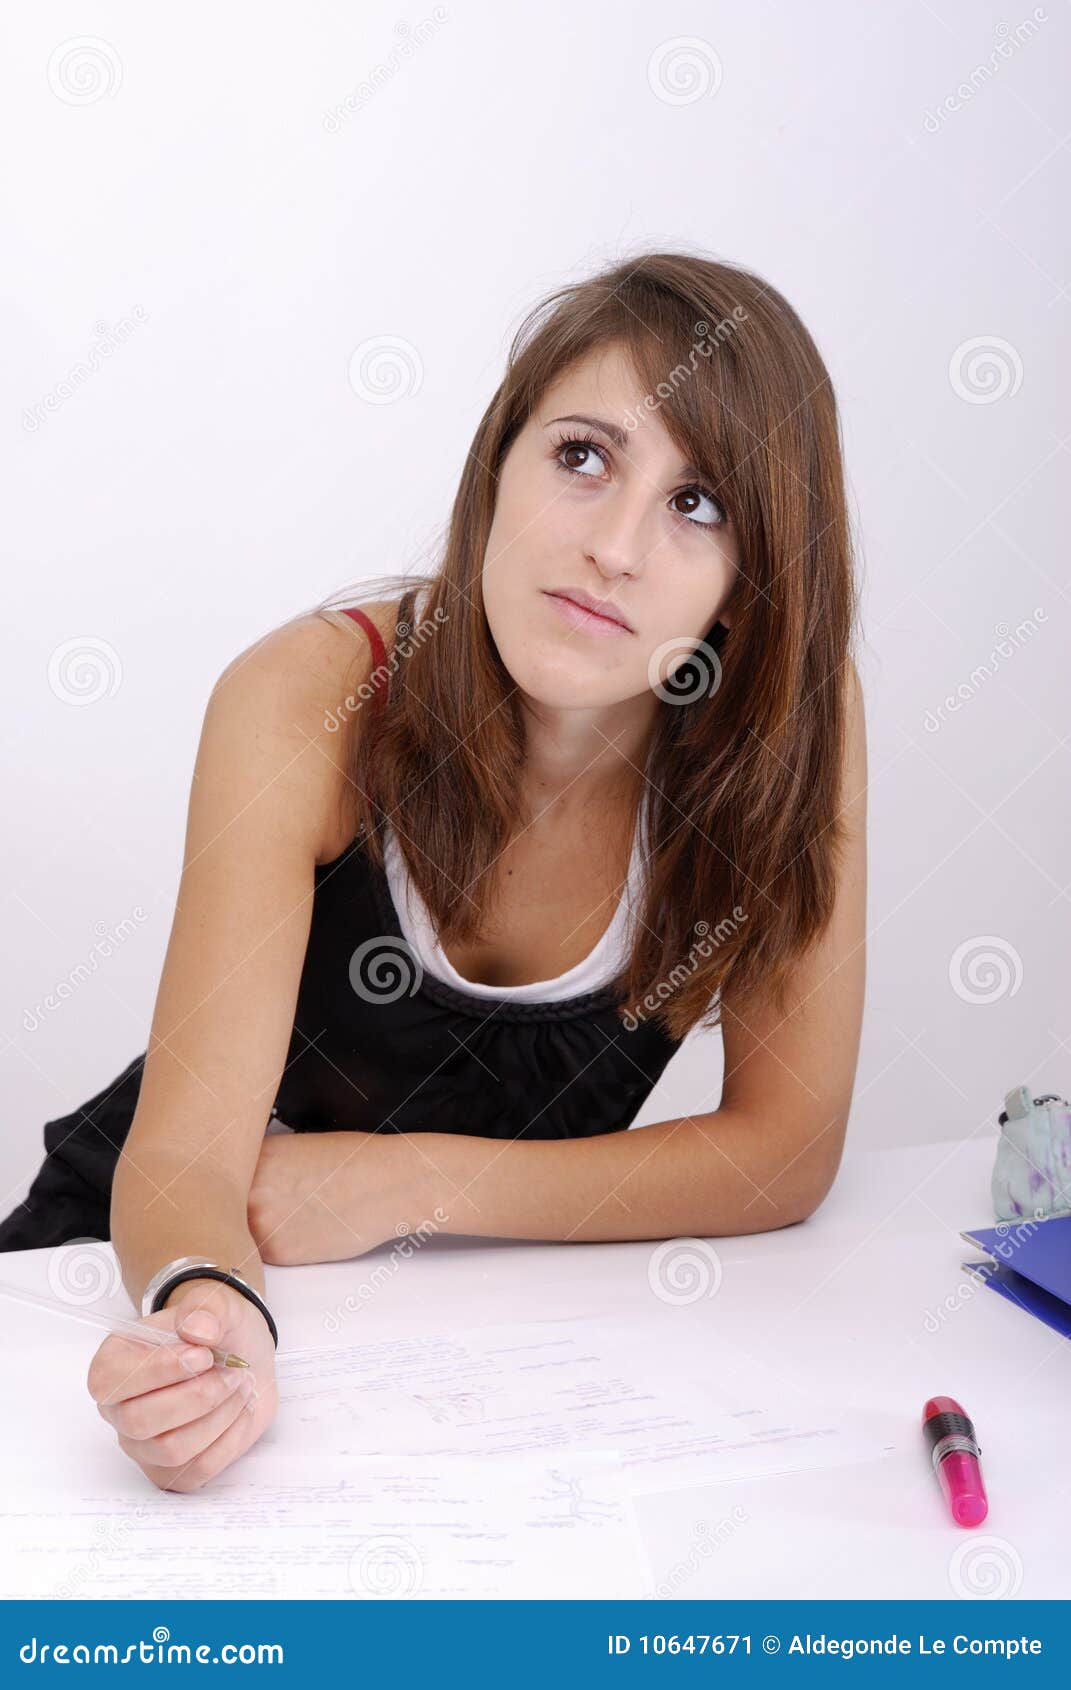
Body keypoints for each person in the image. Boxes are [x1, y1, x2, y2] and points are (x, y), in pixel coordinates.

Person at [0, 250, 867, 1491]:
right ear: (494, 474)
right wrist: (203, 1316)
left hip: (470, 1357)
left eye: (701, 503)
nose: (617, 547)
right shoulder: (311, 699)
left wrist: (405, 1183)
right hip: (148, 1275)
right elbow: (188, 1159)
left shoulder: (779, 745)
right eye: (583, 456)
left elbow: (783, 1151)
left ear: (747, 589)